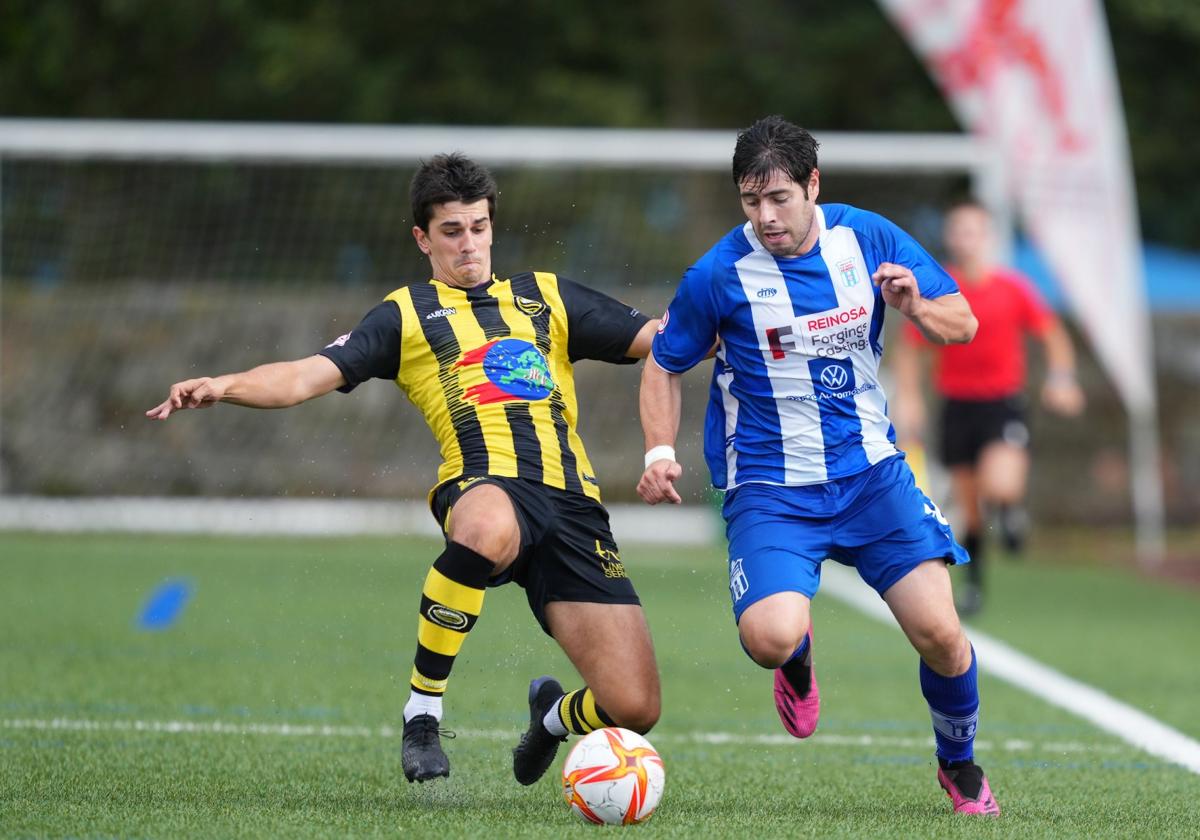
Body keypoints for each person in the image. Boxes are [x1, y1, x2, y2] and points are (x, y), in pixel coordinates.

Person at [147, 153, 661, 786]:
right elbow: (306, 375)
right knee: (485, 528)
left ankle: (550, 719)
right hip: (485, 485)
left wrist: (731, 315)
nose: (468, 244)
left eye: (478, 227)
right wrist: (223, 385)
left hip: (575, 507)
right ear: (423, 238)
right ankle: (422, 711)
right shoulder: (406, 314)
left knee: (634, 708)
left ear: (493, 226)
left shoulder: (546, 296)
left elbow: (662, 341)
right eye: (451, 230)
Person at [637, 116, 1000, 816]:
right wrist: (659, 452)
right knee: (769, 638)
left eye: (779, 198)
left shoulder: (867, 239)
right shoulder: (719, 274)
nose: (766, 217)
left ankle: (958, 765)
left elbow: (964, 322)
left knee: (943, 636)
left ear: (813, 185)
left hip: (871, 475)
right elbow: (662, 361)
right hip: (771, 490)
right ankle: (797, 653)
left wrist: (915, 305)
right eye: (751, 201)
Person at [892, 199, 1085, 615]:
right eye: (958, 230)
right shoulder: (940, 288)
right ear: (949, 237)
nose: (966, 239)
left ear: (989, 238)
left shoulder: (1012, 288)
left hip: (1002, 404)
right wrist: (908, 397)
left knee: (1001, 485)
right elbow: (912, 350)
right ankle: (975, 586)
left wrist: (1062, 378)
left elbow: (1052, 334)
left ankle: (1012, 511)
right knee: (972, 509)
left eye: (974, 231)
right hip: (956, 406)